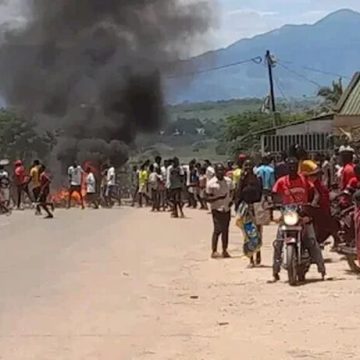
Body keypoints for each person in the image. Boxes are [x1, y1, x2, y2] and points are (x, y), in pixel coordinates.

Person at [272, 157, 326, 281]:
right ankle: (275, 271)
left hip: (302, 215)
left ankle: (322, 270)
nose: (292, 169)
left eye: (294, 166)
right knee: (278, 242)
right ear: (287, 167)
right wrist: (275, 203)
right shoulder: (281, 181)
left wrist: (313, 203)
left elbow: (315, 193)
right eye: (290, 166)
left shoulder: (304, 179)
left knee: (312, 241)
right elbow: (274, 194)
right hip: (288, 216)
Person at [236, 159, 267, 266]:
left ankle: (258, 255)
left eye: (250, 165)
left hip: (257, 208)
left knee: (258, 233)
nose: (248, 167)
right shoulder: (242, 180)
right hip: (246, 210)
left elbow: (261, 193)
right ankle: (251, 258)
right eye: (246, 165)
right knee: (249, 234)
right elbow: (238, 194)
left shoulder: (258, 179)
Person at [206, 163, 234, 259]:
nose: (221, 172)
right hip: (216, 209)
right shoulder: (211, 183)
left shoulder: (229, 181)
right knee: (217, 229)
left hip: (226, 208)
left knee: (225, 230)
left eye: (222, 170)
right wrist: (219, 198)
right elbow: (208, 199)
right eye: (219, 170)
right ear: (215, 171)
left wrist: (231, 201)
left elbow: (233, 191)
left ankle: (224, 250)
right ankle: (214, 251)